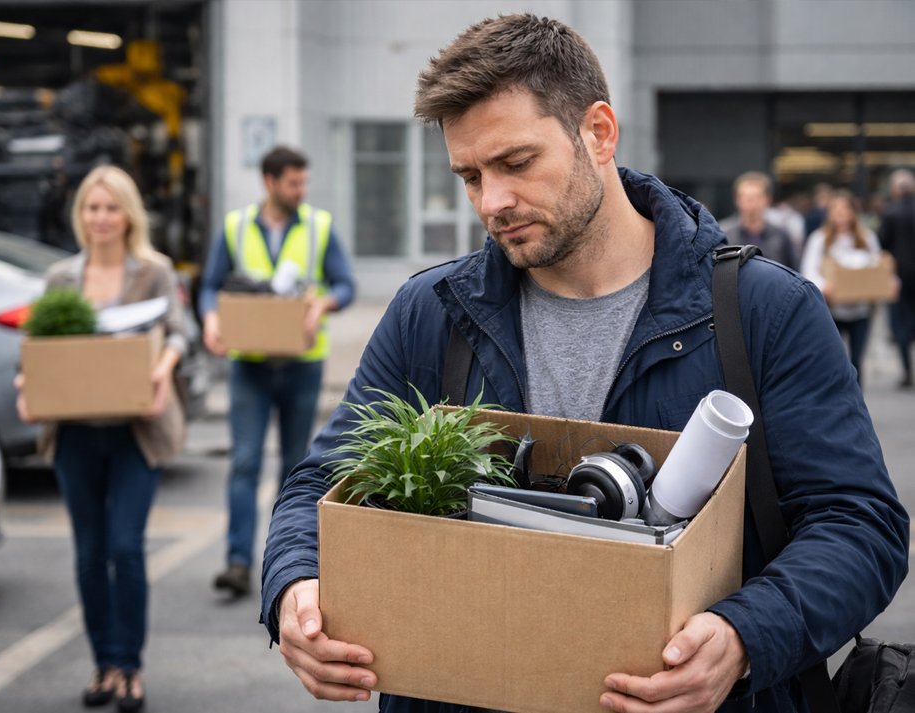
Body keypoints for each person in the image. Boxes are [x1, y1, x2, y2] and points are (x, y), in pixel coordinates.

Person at [261, 14, 909, 713]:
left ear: (598, 132)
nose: (492, 202)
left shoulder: (764, 311)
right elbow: (320, 482)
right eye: (470, 176)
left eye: (515, 163)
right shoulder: (432, 312)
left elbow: (859, 523)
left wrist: (742, 634)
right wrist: (297, 585)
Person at [17, 164, 188, 712]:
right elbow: (38, 348)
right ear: (80, 215)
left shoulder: (154, 273)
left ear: (128, 214)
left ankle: (130, 666)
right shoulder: (61, 279)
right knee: (90, 554)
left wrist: (162, 371)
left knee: (124, 548)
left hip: (135, 432)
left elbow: (180, 334)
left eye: (112, 207)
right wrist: (28, 387)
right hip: (74, 436)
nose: (102, 218)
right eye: (93, 208)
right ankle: (104, 665)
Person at [200, 145, 355, 598]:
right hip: (249, 364)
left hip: (302, 365)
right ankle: (237, 563)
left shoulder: (319, 227)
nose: (301, 190)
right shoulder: (234, 227)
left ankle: (283, 566)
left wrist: (322, 303)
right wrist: (211, 319)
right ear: (270, 182)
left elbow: (345, 284)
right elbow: (209, 287)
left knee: (295, 470)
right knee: (245, 462)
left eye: (303, 182)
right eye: (293, 183)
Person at [800, 189, 883, 386]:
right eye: (836, 210)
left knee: (857, 361)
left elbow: (878, 267)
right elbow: (808, 269)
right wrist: (824, 286)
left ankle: (857, 404)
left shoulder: (866, 238)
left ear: (854, 213)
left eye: (845, 210)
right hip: (831, 310)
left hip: (860, 309)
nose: (841, 215)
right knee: (834, 360)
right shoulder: (819, 239)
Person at [879, 168, 915, 388]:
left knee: (900, 324)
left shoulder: (890, 213)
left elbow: (882, 244)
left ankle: (907, 370)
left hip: (899, 275)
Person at [719, 172, 798, 268]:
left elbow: (793, 273)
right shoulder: (725, 236)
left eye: (757, 197)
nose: (752, 203)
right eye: (747, 198)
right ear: (737, 200)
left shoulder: (781, 236)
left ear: (768, 199)